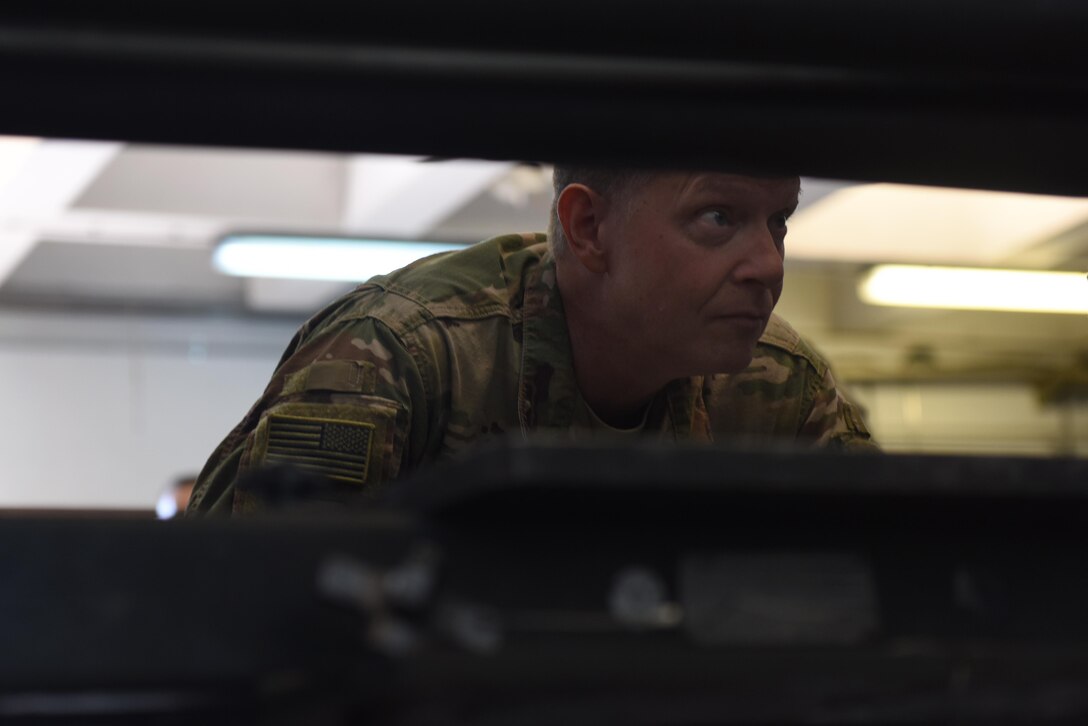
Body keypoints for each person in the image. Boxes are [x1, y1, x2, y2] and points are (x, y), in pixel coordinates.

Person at [188, 168, 876, 515]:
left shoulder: (780, 386)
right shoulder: (393, 355)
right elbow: (254, 627)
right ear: (589, 228)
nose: (769, 264)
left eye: (778, 222)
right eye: (718, 217)